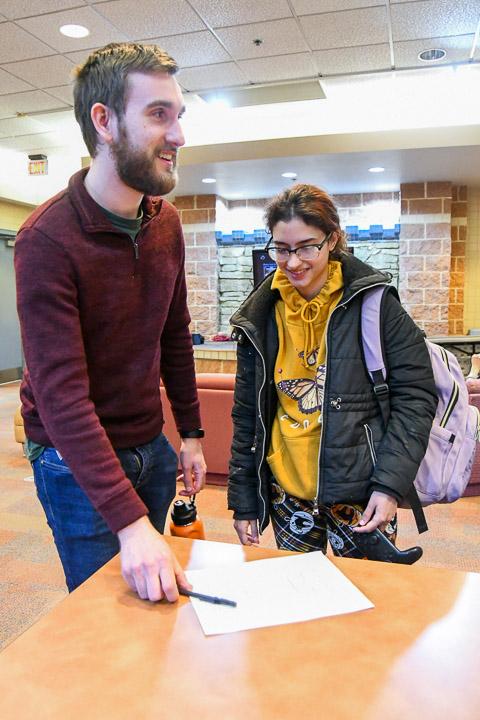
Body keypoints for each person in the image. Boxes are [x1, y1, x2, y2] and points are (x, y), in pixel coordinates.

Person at [14, 42, 206, 601]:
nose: (178, 136)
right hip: (72, 459)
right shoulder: (46, 239)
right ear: (104, 121)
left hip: (151, 443)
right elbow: (61, 397)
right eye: (158, 114)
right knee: (107, 613)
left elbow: (175, 333)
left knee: (158, 595)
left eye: (178, 116)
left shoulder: (164, 221)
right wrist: (128, 524)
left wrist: (191, 434)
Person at [228, 184, 438, 556]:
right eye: (281, 248)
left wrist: (390, 485)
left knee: (366, 600)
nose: (293, 262)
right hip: (287, 493)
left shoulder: (374, 303)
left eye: (307, 246)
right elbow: (247, 416)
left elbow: (416, 397)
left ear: (333, 239)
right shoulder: (258, 315)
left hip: (361, 490)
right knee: (300, 599)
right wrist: (244, 499)